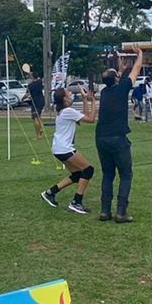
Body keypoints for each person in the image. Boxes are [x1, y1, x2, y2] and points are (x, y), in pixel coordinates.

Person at [95, 44, 143, 223]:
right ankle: (121, 212)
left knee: (108, 174)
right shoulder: (121, 89)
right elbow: (136, 70)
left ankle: (104, 210)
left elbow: (115, 80)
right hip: (117, 138)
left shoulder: (105, 92)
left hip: (101, 137)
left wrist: (119, 71)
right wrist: (140, 55)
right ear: (116, 79)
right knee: (125, 174)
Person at [42, 84, 97, 214]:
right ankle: (76, 203)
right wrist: (93, 101)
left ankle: (50, 192)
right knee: (88, 170)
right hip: (64, 148)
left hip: (59, 148)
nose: (71, 93)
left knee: (78, 174)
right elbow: (91, 119)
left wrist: (85, 100)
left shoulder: (64, 111)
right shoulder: (67, 111)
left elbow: (84, 115)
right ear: (65, 98)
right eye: (68, 92)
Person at [27, 70, 46, 138]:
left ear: (32, 76)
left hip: (35, 102)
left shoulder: (30, 85)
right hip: (41, 101)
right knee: (39, 116)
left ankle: (38, 135)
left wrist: (22, 99)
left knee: (35, 118)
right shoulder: (40, 82)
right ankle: (41, 129)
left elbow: (27, 94)